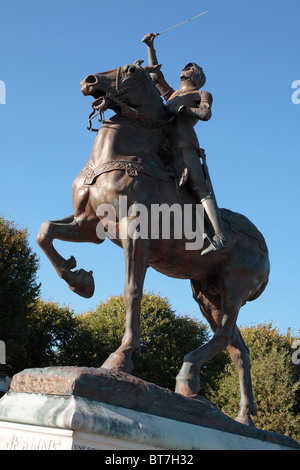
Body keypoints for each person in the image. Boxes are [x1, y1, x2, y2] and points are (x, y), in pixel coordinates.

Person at [142, 33, 229, 256]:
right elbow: (156, 75)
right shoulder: (172, 94)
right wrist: (151, 46)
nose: (186, 68)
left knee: (199, 187)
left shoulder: (202, 93)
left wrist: (182, 110)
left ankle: (219, 236)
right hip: (162, 143)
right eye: (186, 66)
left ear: (197, 76)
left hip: (183, 144)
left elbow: (206, 114)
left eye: (191, 68)